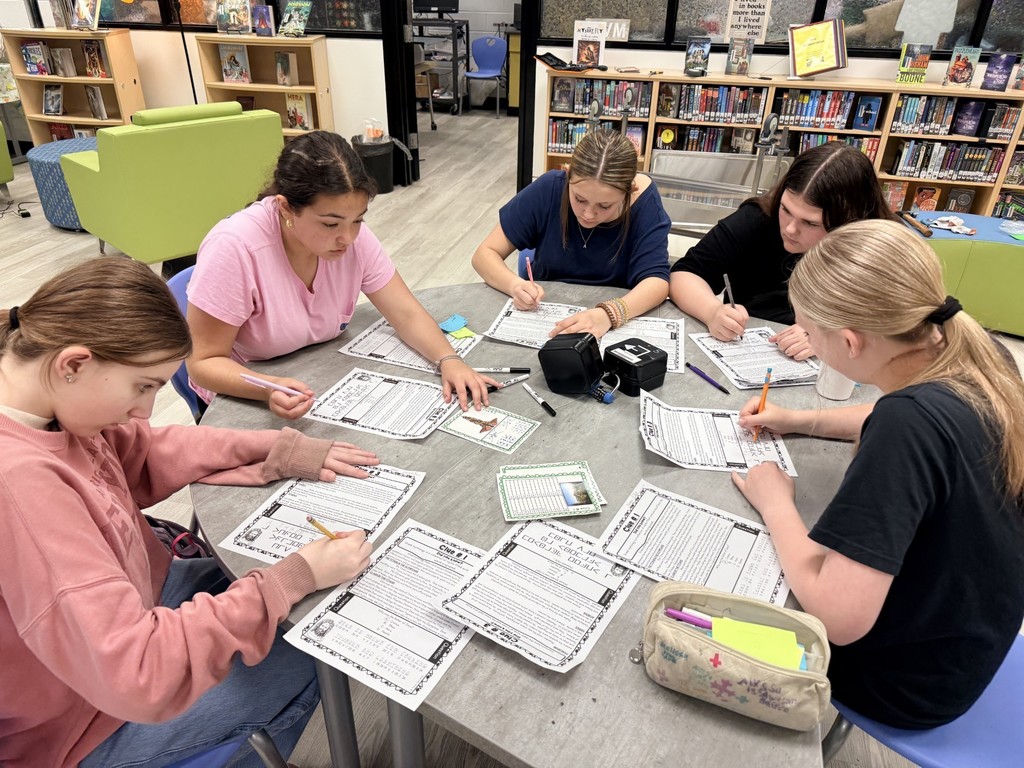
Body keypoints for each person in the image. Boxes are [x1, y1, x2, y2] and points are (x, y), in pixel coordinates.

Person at [0, 257, 378, 767]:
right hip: (81, 722)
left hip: (139, 610)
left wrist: (275, 450)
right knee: (321, 644)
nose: (146, 410)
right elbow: (138, 672)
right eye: (143, 386)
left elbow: (142, 452)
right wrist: (292, 576)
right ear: (73, 364)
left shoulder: (45, 399)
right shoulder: (21, 486)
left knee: (293, 605)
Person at [732, 219, 1024, 729]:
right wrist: (800, 420)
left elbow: (838, 619)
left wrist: (777, 503)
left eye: (809, 332)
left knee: (733, 611)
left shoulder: (907, 426)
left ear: (849, 342)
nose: (805, 342)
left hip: (907, 686)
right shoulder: (976, 353)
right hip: (969, 643)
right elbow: (887, 418)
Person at [187, 131, 494, 420]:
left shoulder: (353, 238)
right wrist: (268, 388)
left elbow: (405, 313)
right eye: (331, 225)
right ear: (285, 208)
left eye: (358, 220)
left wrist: (449, 359)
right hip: (246, 395)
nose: (347, 238)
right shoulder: (235, 248)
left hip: (315, 376)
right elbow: (203, 363)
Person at [669, 142, 896, 360]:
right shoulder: (758, 219)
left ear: (847, 220)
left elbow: (895, 321)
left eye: (810, 223)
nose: (789, 229)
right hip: (748, 350)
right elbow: (685, 273)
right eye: (786, 209)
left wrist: (825, 334)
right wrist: (712, 312)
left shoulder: (879, 246)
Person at [471, 129, 671, 339]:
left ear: (630, 190)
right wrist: (515, 285)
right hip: (545, 319)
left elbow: (657, 282)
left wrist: (609, 314)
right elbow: (485, 254)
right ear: (567, 175)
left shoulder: (645, 204)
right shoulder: (549, 188)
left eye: (604, 205)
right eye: (579, 199)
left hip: (612, 323)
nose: (588, 214)